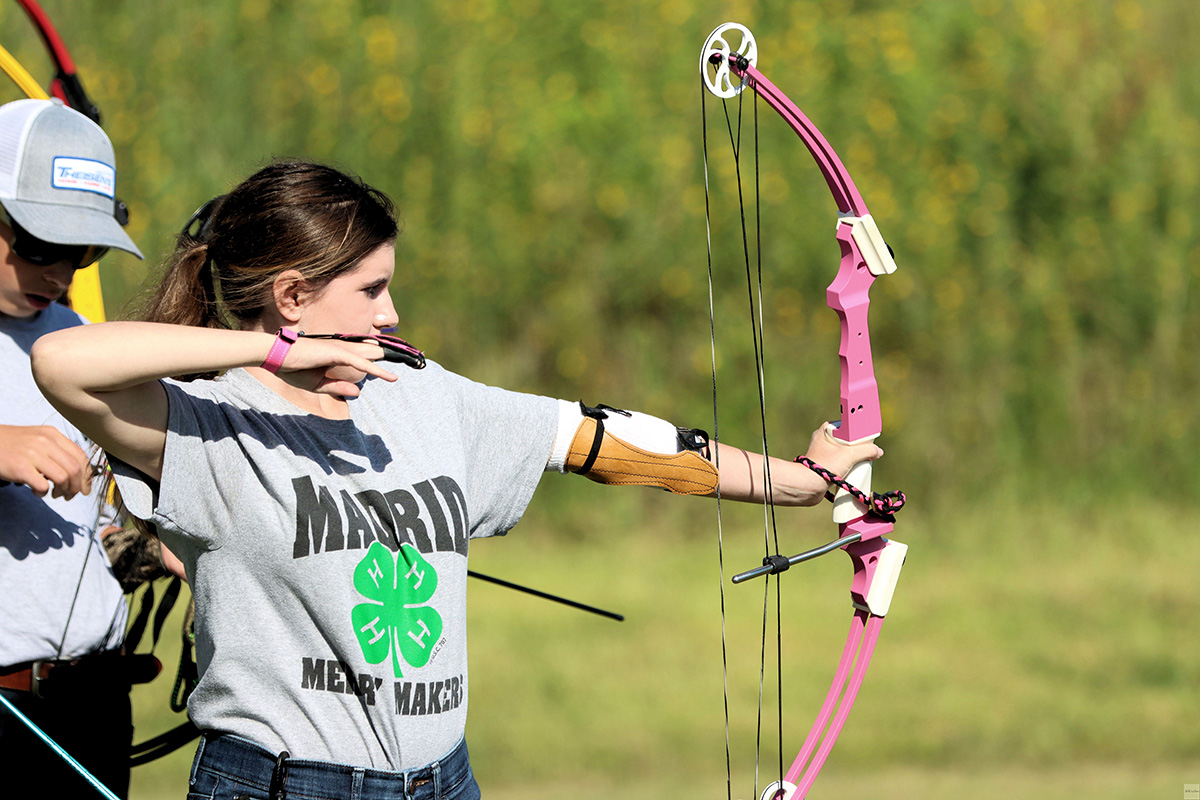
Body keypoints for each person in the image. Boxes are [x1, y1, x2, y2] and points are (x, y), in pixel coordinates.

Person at [31, 161, 881, 800]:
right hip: (287, 785)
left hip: (441, 778)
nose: (390, 314)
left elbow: (602, 437)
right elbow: (63, 363)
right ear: (291, 296)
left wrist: (795, 482)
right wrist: (276, 352)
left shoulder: (423, 395)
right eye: (370, 291)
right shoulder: (208, 426)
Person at [0, 98, 145, 798]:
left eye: (80, 251)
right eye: (36, 244)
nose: (58, 271)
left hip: (92, 699)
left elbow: (107, 509)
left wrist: (162, 543)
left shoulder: (77, 335)